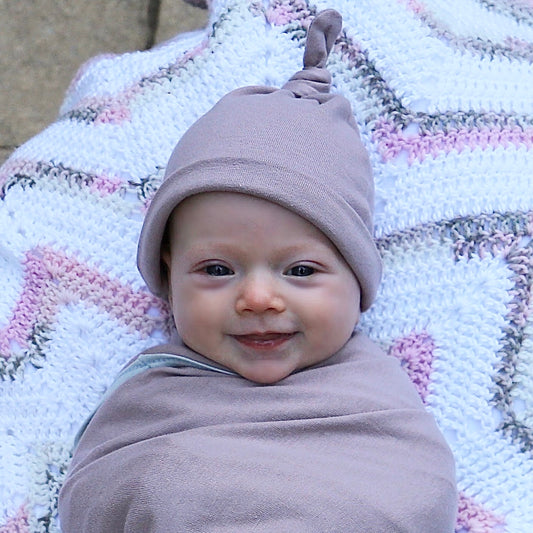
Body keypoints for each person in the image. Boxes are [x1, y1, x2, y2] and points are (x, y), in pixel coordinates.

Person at [58, 9, 457, 532]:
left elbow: (419, 494)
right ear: (168, 272)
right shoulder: (150, 402)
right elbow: (99, 494)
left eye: (301, 270)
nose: (259, 298)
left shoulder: (377, 406)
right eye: (218, 269)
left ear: (358, 278)